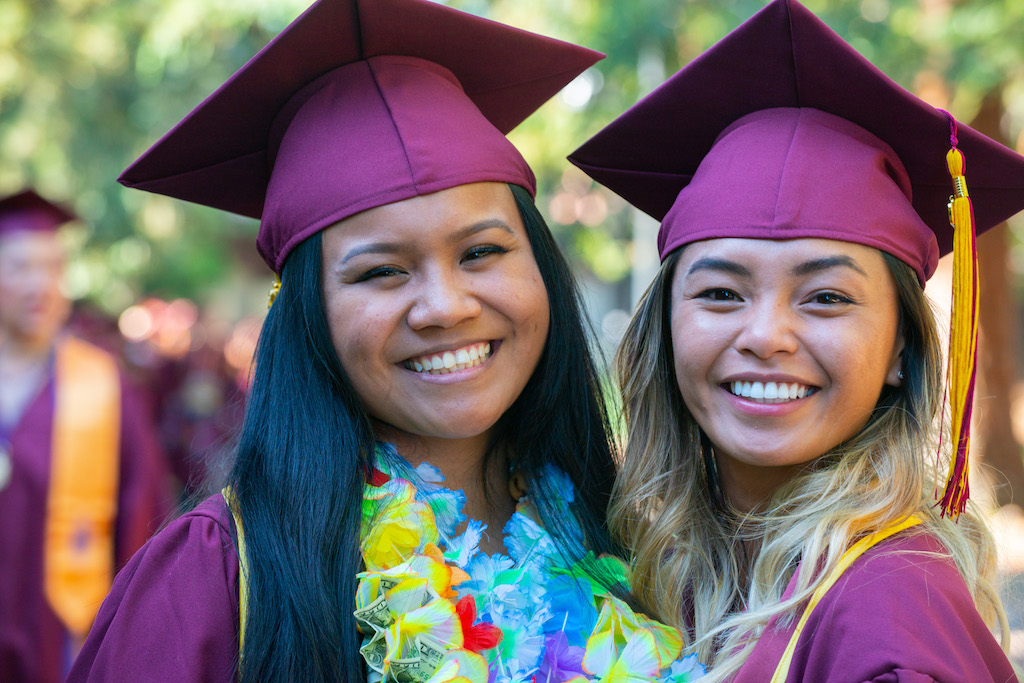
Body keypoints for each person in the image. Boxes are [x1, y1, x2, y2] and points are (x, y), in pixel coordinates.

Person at [68, 0, 707, 681]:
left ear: (541, 267)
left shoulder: (645, 548)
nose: (444, 306)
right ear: (308, 312)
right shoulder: (214, 579)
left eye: (482, 252)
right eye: (381, 271)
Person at [569, 0, 1024, 680]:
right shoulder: (667, 567)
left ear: (903, 347)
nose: (766, 335)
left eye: (827, 298)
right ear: (665, 328)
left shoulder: (888, 611)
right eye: (721, 292)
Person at [0, 189, 173, 681]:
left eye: (53, 268)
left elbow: (141, 511)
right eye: (20, 267)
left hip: (63, 631)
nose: (40, 285)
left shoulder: (100, 382)